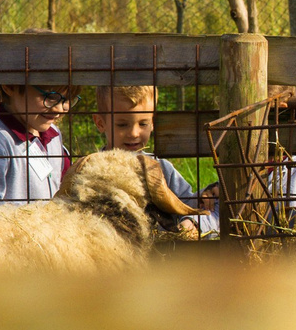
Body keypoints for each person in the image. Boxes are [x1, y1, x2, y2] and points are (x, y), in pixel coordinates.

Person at [92, 85, 215, 234]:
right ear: (100, 123)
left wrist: (201, 205)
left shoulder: (160, 169)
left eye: (143, 123)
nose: (134, 133)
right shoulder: (90, 173)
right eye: (122, 124)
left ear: (153, 122)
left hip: (163, 253)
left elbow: (186, 205)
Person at [0, 81, 71, 204]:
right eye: (50, 97)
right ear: (10, 86)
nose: (60, 109)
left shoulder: (54, 134)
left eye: (67, 99)